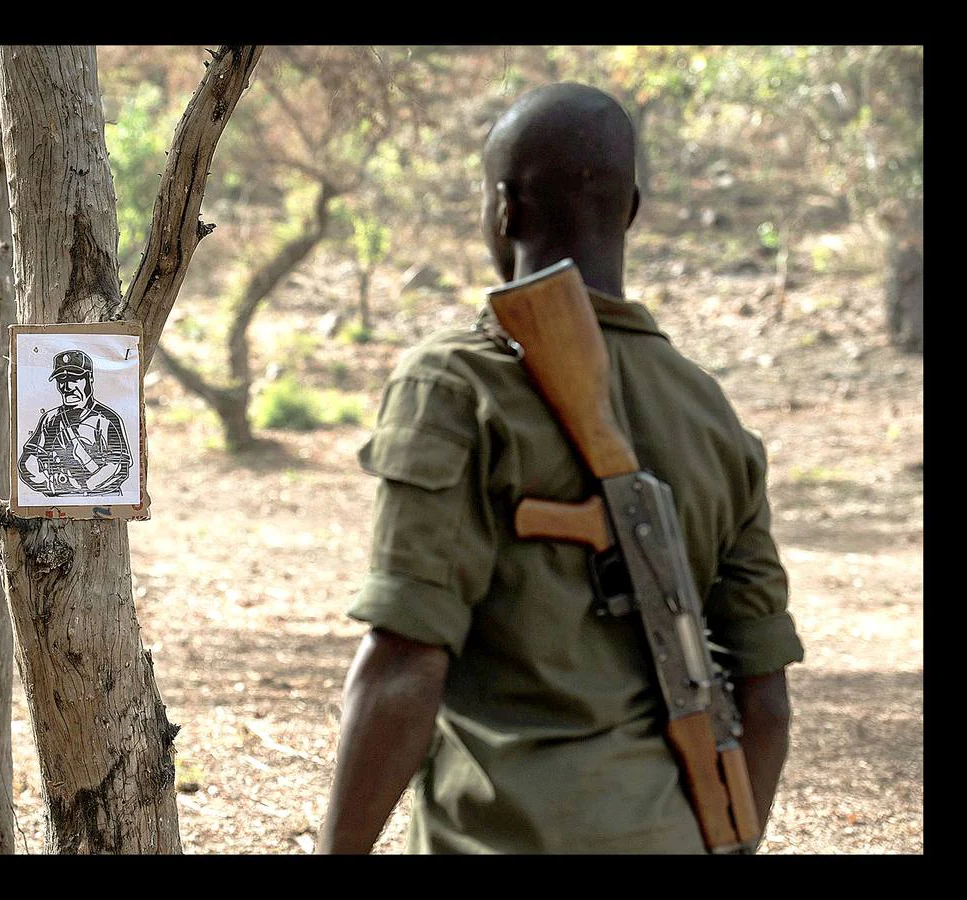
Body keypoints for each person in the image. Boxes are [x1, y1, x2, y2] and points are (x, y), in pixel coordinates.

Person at [316, 82, 804, 854]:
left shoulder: (455, 384)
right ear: (631, 209)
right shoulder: (710, 413)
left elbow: (405, 665)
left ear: (504, 210)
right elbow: (765, 698)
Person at [17, 349, 132, 496]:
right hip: (58, 501)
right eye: (61, 380)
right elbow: (27, 461)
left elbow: (117, 466)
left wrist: (82, 486)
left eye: (74, 379)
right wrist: (49, 484)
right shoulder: (50, 419)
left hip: (101, 500)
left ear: (89, 378)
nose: (67, 387)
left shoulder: (107, 419)